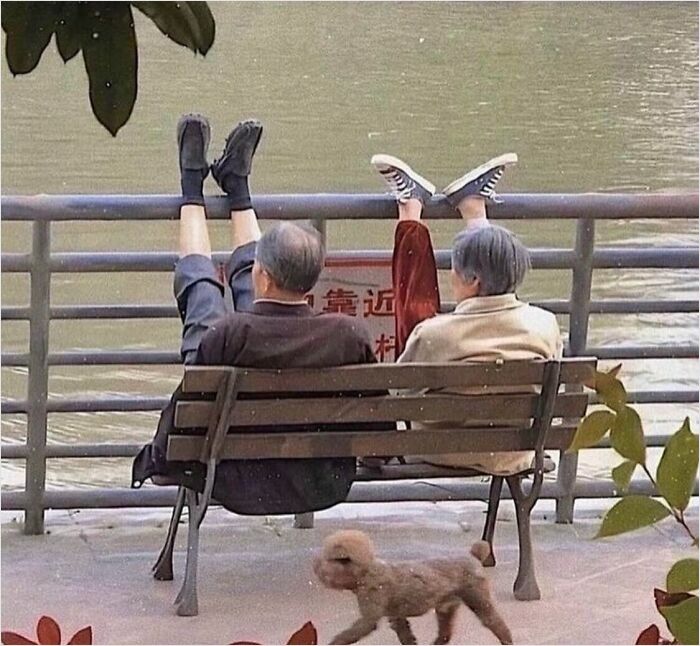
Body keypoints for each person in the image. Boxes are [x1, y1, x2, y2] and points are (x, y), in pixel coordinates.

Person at [131, 114, 376, 514]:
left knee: (202, 293)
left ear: (262, 275)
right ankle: (235, 188)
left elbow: (185, 411)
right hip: (319, 480)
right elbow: (375, 416)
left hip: (233, 477)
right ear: (313, 283)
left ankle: (192, 188)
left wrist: (157, 456)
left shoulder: (227, 334)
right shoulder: (349, 335)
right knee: (222, 314)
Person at [371, 152, 563, 475]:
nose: (452, 275)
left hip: (443, 451)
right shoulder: (546, 325)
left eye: (455, 270)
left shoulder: (433, 334)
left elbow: (401, 392)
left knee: (419, 323)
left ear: (470, 280)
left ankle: (414, 210)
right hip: (514, 452)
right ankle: (473, 209)